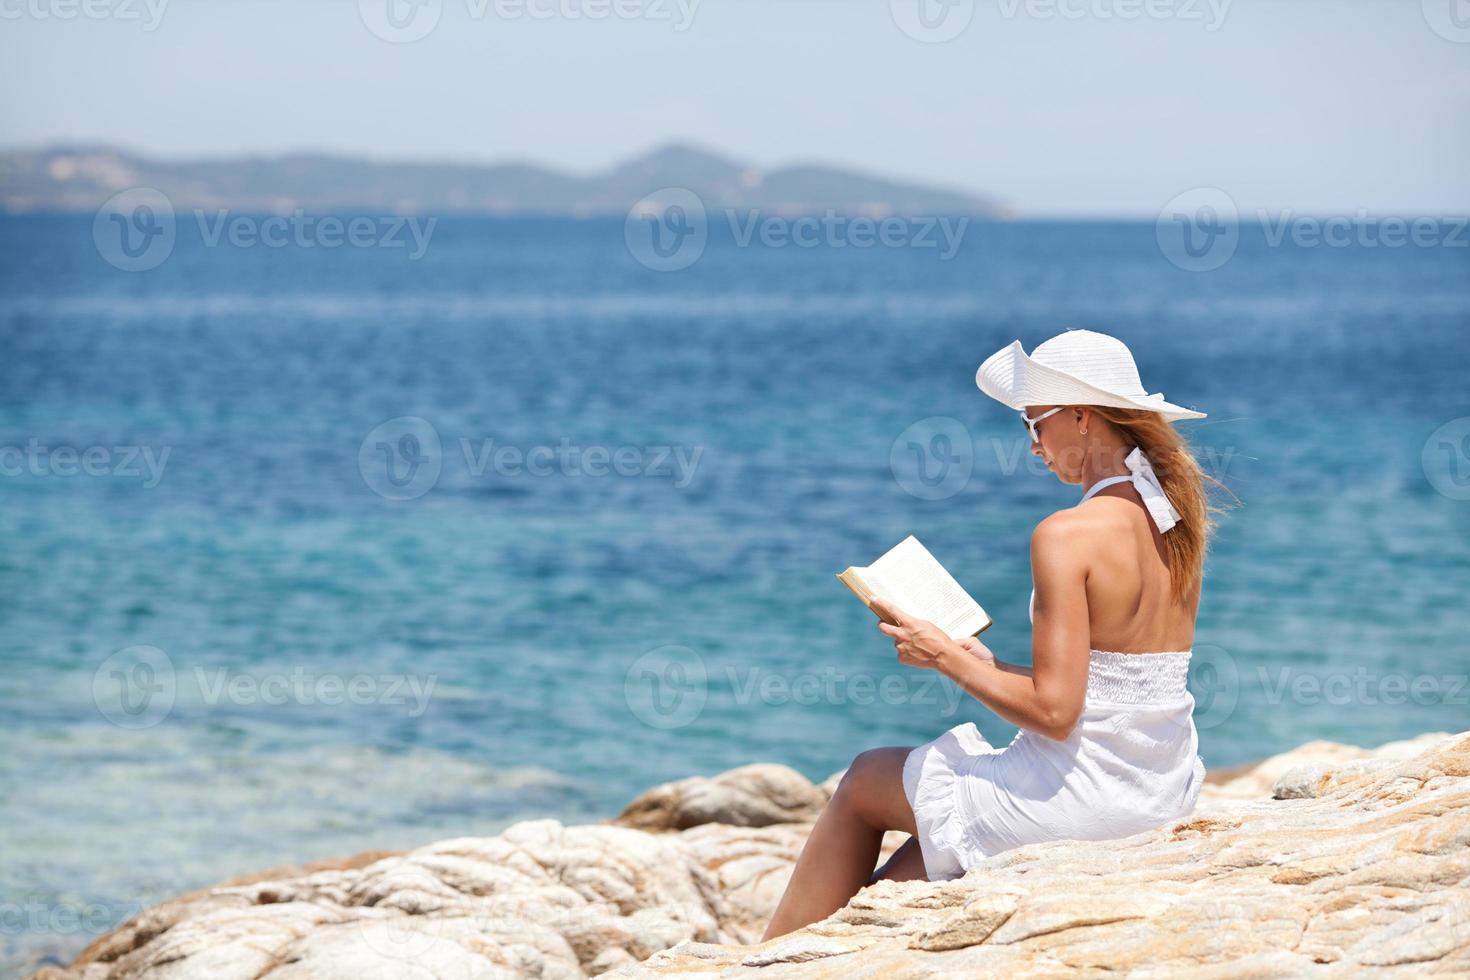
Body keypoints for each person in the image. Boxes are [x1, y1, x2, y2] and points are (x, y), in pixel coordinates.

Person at [762, 329, 1218, 941]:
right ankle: (813, 951)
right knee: (895, 892)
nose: (1032, 447)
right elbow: (1117, 685)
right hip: (1158, 788)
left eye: (1035, 425)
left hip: (1087, 801)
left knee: (868, 778)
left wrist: (944, 655)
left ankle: (766, 957)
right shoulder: (1174, 517)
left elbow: (1056, 714)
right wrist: (990, 663)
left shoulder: (1067, 534)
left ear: (1081, 418)